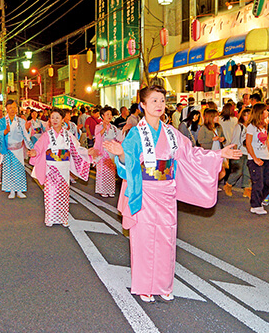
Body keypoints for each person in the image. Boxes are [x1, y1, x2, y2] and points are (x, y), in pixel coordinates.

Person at [103, 85, 241, 303]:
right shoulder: (136, 133)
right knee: (145, 239)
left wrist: (218, 153)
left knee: (166, 238)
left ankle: (164, 284)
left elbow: (192, 154)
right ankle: (145, 286)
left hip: (166, 191)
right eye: (154, 101)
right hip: (145, 191)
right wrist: (121, 154)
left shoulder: (171, 133)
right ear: (143, 105)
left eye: (161, 100)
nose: (158, 105)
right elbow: (125, 164)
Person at [28, 108, 93, 227]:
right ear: (49, 120)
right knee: (50, 193)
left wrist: (88, 152)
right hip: (51, 167)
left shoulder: (68, 135)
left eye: (57, 118)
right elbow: (39, 147)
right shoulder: (47, 135)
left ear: (63, 120)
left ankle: (63, 218)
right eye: (52, 118)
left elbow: (77, 149)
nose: (55, 120)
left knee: (63, 193)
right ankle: (50, 218)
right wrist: (34, 152)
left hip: (63, 167)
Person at [0, 100, 33, 199]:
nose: (13, 109)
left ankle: (20, 190)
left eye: (14, 107)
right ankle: (12, 190)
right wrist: (5, 131)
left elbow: (25, 135)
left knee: (19, 169)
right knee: (9, 170)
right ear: (6, 109)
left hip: (18, 149)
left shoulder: (21, 121)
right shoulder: (2, 121)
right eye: (10, 108)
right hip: (8, 149)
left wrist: (31, 148)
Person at [245, 103, 269, 215]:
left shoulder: (264, 126)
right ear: (260, 112)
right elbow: (248, 143)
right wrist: (255, 158)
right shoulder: (251, 127)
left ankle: (258, 200)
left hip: (266, 157)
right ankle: (255, 205)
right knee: (258, 183)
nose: (267, 112)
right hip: (255, 159)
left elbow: (266, 141)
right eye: (265, 110)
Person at [93, 107, 123, 198]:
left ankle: (110, 189)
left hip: (111, 152)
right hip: (103, 151)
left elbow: (119, 137)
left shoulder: (113, 128)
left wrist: (124, 130)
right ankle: (102, 190)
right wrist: (103, 129)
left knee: (111, 171)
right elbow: (97, 137)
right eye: (107, 114)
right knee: (103, 171)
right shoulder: (99, 126)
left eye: (110, 114)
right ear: (102, 116)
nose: (109, 116)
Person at [224, 108, 252, 198]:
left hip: (249, 152)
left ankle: (247, 189)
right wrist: (234, 152)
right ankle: (228, 185)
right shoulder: (239, 126)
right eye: (245, 115)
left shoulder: (251, 127)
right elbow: (235, 140)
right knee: (237, 172)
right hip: (239, 152)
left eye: (249, 114)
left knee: (247, 172)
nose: (247, 117)